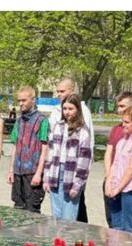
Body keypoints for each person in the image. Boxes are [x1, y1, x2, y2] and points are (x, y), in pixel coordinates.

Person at [49, 78, 94, 222]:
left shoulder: (83, 129)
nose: (67, 112)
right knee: (56, 215)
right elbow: (51, 152)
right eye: (65, 109)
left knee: (69, 216)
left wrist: (79, 181)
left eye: (70, 109)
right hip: (56, 171)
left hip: (72, 171)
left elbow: (85, 157)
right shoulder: (58, 126)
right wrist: (47, 176)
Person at [103, 91, 132, 226]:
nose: (123, 125)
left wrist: (118, 188)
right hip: (115, 181)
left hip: (130, 187)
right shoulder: (122, 137)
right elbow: (113, 160)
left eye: (127, 122)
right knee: (114, 223)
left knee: (128, 225)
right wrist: (109, 180)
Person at [7, 86, 49, 212]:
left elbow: (44, 149)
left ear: (33, 100)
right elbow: (15, 146)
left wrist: (39, 173)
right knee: (18, 210)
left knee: (32, 211)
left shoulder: (42, 121)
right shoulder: (19, 121)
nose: (21, 103)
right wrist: (11, 170)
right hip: (18, 173)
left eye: (24, 100)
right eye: (19, 100)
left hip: (32, 173)